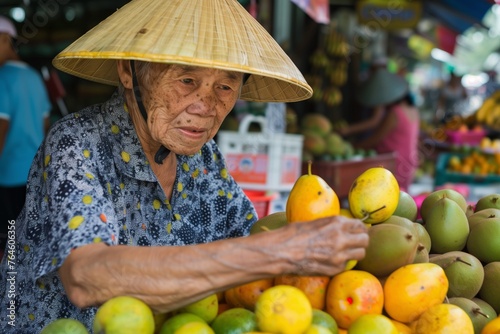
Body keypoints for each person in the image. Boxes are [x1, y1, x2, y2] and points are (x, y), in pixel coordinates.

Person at [0, 0, 369, 332]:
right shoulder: (76, 142)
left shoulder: (204, 159)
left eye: (225, 88)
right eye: (187, 80)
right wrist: (283, 250)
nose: (204, 106)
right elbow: (86, 275)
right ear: (128, 71)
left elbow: (245, 241)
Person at [0, 16, 52, 254]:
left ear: (4, 40)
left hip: (8, 176)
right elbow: (45, 126)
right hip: (35, 173)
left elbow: (1, 127)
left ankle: (10, 286)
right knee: (30, 237)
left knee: (9, 238)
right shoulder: (34, 77)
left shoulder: (2, 78)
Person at [352, 70, 420, 191]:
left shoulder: (395, 113)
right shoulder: (413, 110)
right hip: (408, 162)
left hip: (393, 165)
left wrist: (354, 147)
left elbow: (376, 139)